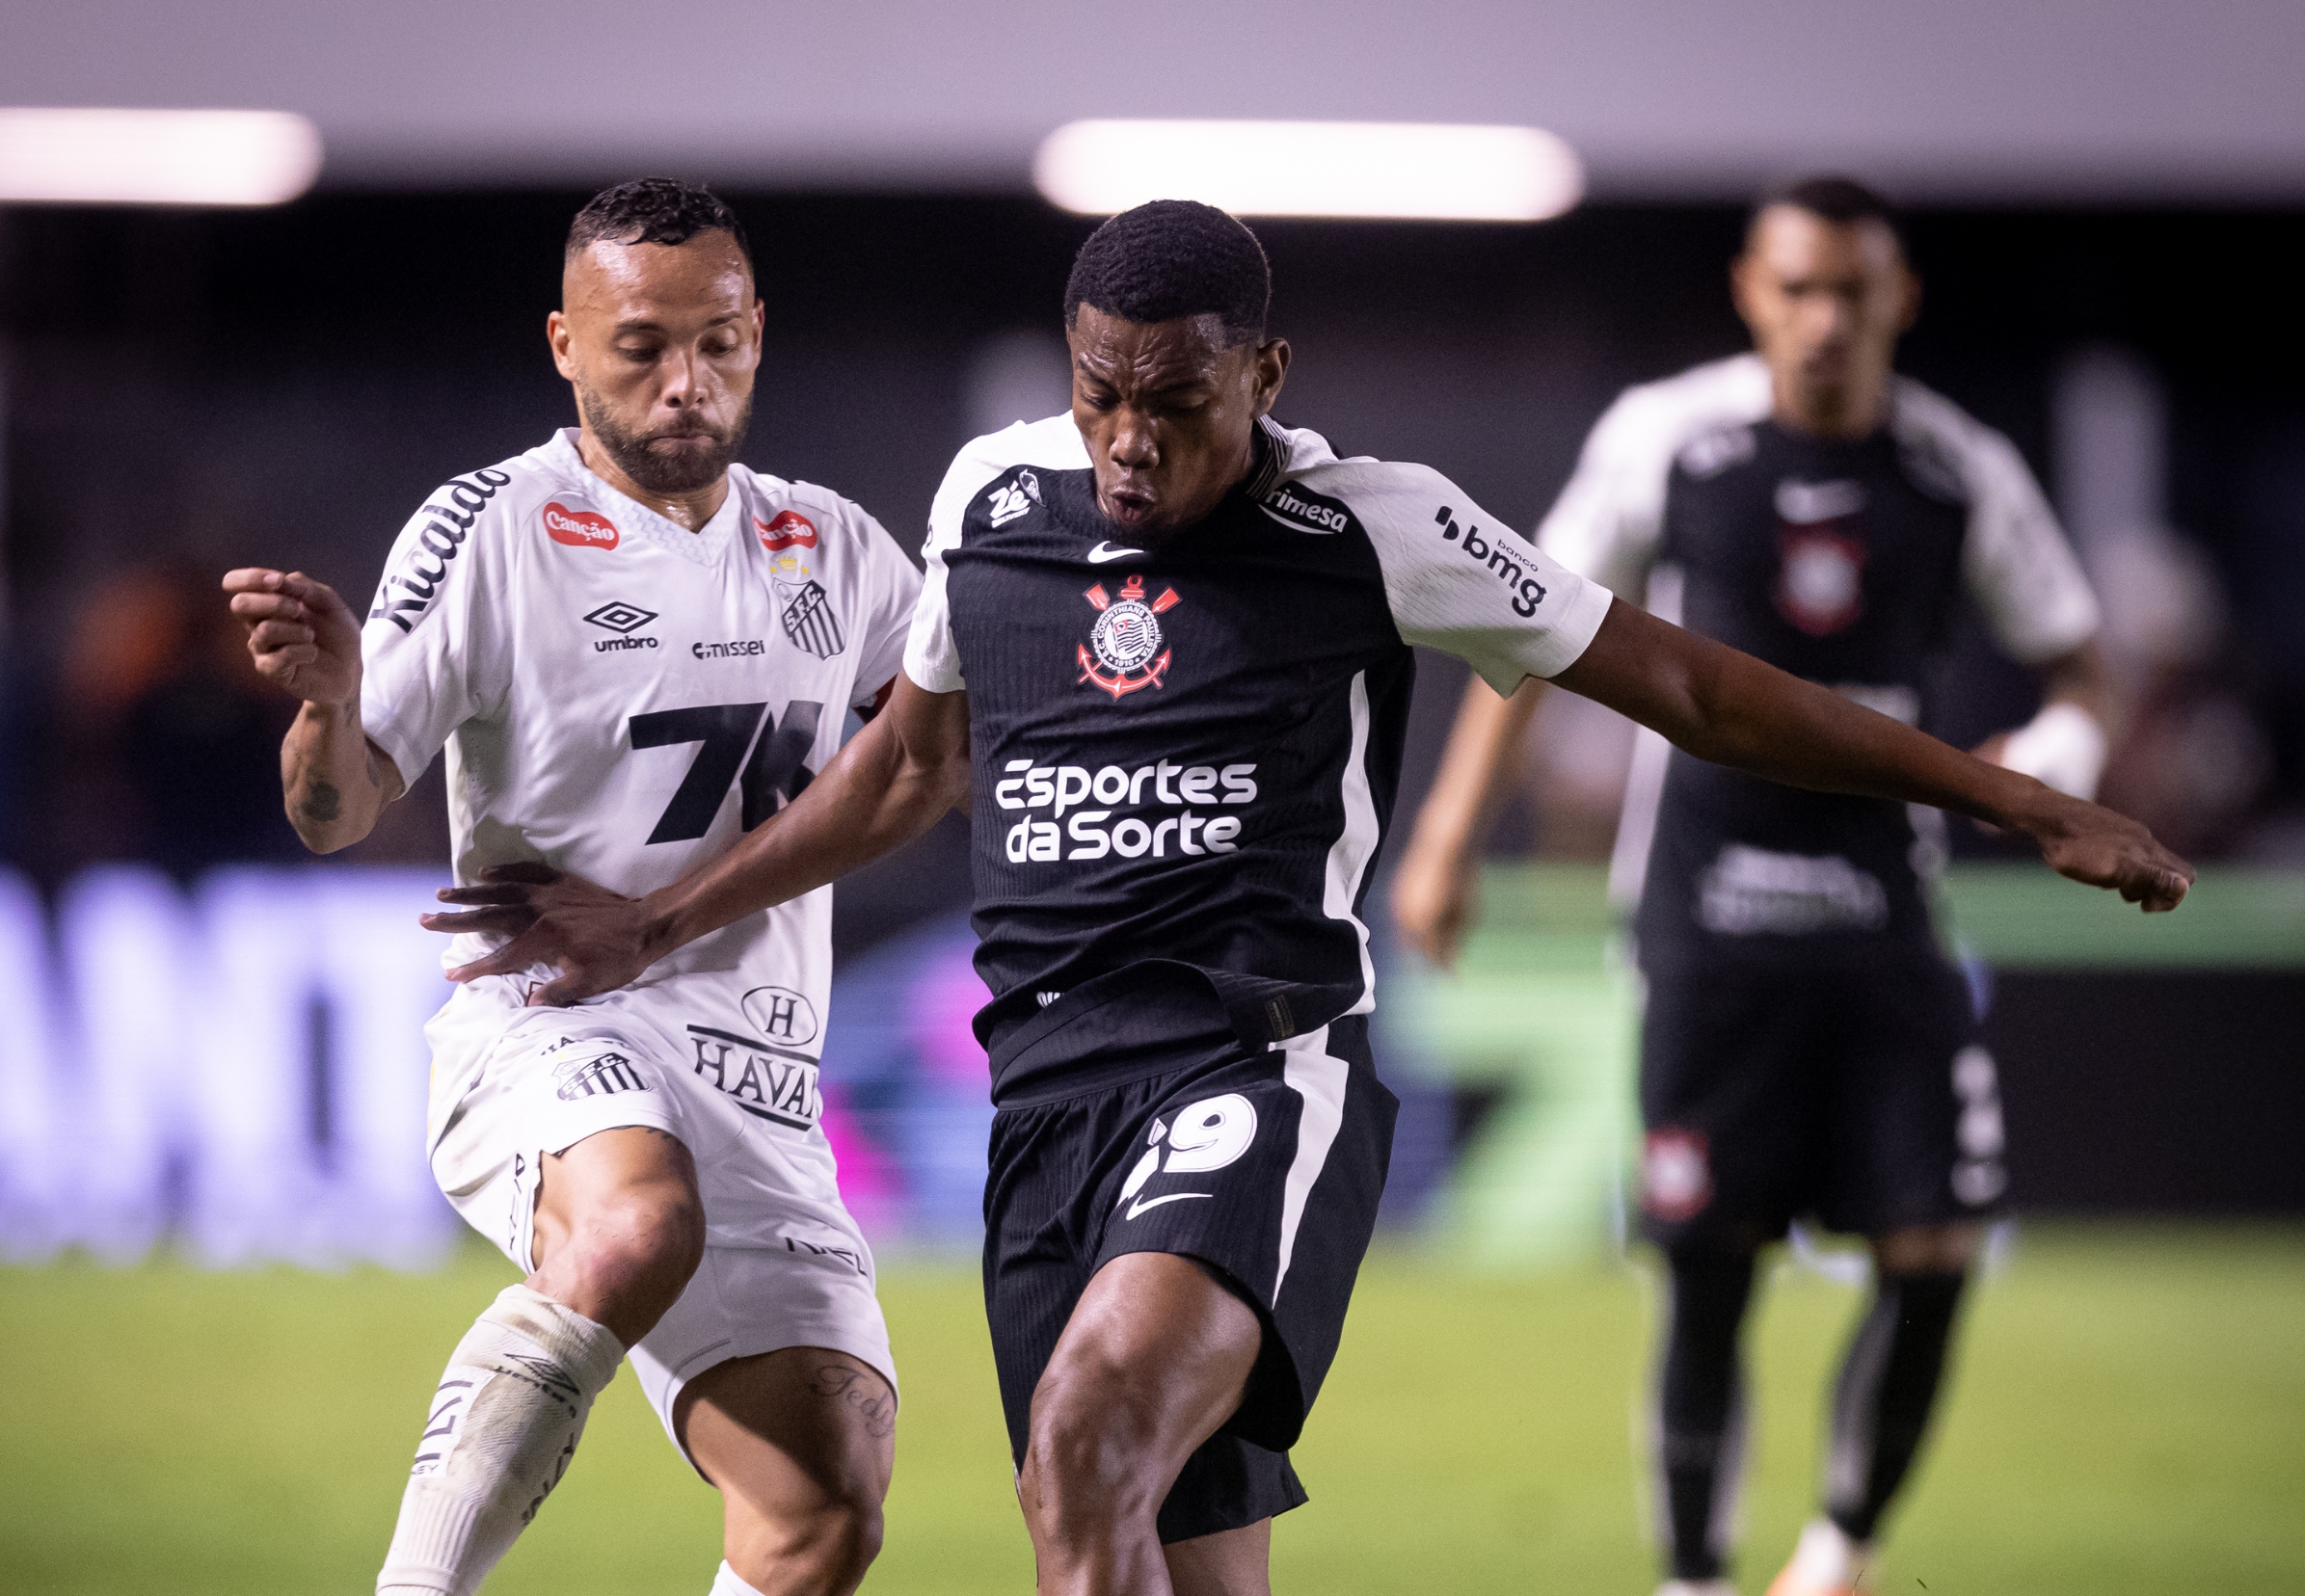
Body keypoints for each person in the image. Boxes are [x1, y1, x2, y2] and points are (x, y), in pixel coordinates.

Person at [430, 199, 2188, 1596]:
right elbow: (904, 765)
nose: (1125, 443)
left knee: (1088, 1442)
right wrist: (656, 925)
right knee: (1178, 1553)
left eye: (1174, 403)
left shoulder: (1379, 528)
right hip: (1046, 1105)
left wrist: (2022, 797)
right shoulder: (995, 498)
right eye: (1097, 392)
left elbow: (1696, 689)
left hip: (1257, 1075)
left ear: (1265, 373)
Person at [1392, 175, 2118, 1596]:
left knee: (1933, 1249)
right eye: (1799, 288)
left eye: (1854, 290)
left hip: (1886, 918)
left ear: (1899, 301)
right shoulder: (1669, 440)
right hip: (1704, 919)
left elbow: (2080, 661)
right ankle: (1697, 1578)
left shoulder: (1956, 469)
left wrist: (2058, 753)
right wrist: (1444, 840)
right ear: (1752, 292)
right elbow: (1521, 627)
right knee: (1709, 1267)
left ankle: (1837, 1550)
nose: (1825, 319)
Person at [223, 178, 920, 1596]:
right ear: (563, 343)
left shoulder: (835, 548)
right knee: (635, 1223)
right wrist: (326, 711)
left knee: (824, 1509)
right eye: (641, 346)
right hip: (548, 1022)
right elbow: (338, 810)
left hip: (761, 1077)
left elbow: (927, 764)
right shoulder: (492, 527)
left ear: (760, 331)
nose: (687, 383)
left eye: (719, 343)